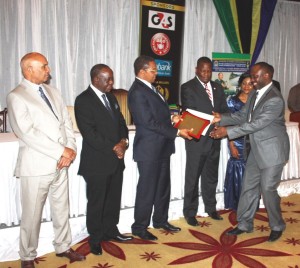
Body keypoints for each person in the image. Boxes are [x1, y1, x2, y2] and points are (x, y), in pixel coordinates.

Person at [6, 52, 86, 268]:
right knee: (31, 215)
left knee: (62, 208)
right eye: (44, 66)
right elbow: (27, 132)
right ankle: (27, 256)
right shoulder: (16, 96)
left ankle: (63, 246)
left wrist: (70, 148)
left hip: (61, 163)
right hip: (37, 165)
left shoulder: (52, 91)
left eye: (47, 66)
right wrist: (61, 151)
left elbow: (66, 123)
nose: (48, 70)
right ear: (28, 69)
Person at [210, 62, 290, 242]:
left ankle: (277, 225)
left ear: (267, 76)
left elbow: (256, 124)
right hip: (257, 149)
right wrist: (221, 118)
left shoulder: (275, 99)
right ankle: (245, 224)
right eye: (252, 76)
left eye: (255, 77)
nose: (252, 81)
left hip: (273, 151)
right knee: (248, 186)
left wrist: (228, 132)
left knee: (268, 189)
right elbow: (242, 116)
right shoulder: (255, 93)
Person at [128, 55, 192, 241]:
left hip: (162, 147)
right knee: (147, 190)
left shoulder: (151, 88)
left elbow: (159, 115)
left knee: (163, 187)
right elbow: (148, 122)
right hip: (149, 150)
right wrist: (178, 132)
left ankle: (160, 220)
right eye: (153, 71)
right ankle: (139, 227)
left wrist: (173, 118)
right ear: (142, 71)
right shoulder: (137, 91)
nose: (157, 73)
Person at [74, 64, 133, 255]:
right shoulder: (83, 100)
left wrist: (123, 141)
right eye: (107, 79)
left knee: (113, 199)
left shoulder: (111, 96)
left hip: (116, 159)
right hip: (97, 163)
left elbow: (122, 123)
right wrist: (114, 147)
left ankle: (110, 230)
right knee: (97, 202)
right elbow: (90, 133)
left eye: (112, 79)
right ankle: (96, 238)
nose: (111, 83)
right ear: (95, 80)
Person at [181, 56, 229, 226]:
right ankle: (190, 212)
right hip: (197, 140)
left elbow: (224, 110)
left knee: (211, 177)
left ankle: (211, 208)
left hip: (215, 139)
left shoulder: (217, 87)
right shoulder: (187, 87)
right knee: (192, 177)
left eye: (209, 71)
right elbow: (190, 113)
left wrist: (221, 120)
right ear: (196, 70)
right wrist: (212, 119)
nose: (206, 74)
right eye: (203, 70)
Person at [224, 73, 254, 210]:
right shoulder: (232, 101)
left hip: (253, 140)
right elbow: (229, 124)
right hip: (237, 140)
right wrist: (231, 144)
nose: (247, 86)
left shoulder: (256, 100)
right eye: (244, 83)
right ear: (240, 85)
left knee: (252, 171)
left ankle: (250, 203)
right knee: (238, 170)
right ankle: (237, 203)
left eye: (250, 83)